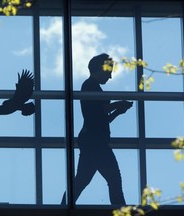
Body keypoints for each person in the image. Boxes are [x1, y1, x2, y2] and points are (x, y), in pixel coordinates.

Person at [62, 53, 133, 205]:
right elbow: (99, 110)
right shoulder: (89, 86)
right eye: (109, 72)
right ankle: (121, 210)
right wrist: (118, 105)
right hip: (95, 143)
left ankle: (64, 207)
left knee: (82, 180)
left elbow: (99, 118)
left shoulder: (91, 86)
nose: (110, 76)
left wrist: (117, 111)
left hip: (92, 141)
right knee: (112, 179)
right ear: (101, 68)